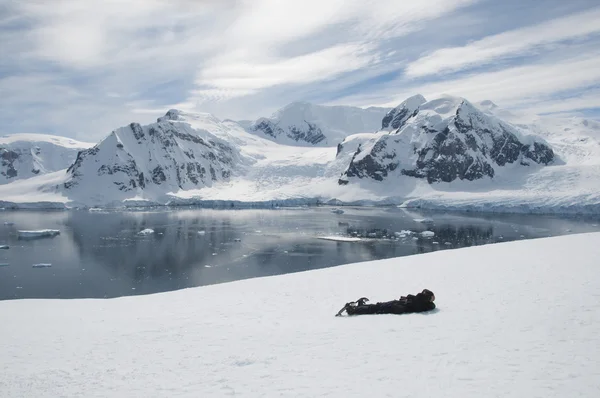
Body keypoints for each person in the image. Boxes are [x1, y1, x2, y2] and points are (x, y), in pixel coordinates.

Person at [335, 289, 436, 316]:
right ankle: (359, 307)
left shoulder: (425, 305)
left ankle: (354, 310)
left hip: (397, 307)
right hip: (398, 304)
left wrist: (417, 297)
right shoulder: (424, 302)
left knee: (377, 308)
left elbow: (418, 304)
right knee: (377, 306)